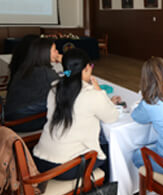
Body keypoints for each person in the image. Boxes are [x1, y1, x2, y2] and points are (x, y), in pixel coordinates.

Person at [32, 49, 121, 179]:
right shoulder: (93, 95)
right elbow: (112, 117)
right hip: (64, 168)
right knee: (106, 149)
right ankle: (103, 192)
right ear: (86, 69)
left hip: (40, 159)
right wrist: (99, 91)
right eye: (91, 66)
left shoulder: (54, 88)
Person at [4, 39, 62, 131]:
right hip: (25, 121)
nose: (58, 52)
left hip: (11, 116)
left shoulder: (28, 67)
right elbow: (65, 87)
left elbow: (58, 78)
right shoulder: (44, 72)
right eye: (55, 50)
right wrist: (67, 63)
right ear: (45, 53)